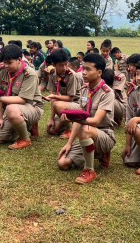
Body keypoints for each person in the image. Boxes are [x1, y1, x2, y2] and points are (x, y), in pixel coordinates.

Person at [57, 53, 116, 184]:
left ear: (99, 72)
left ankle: (90, 170)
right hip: (87, 132)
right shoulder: (84, 89)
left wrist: (73, 119)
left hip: (105, 134)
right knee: (63, 163)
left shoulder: (107, 93)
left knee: (85, 129)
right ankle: (97, 153)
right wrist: (69, 143)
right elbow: (81, 118)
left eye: (88, 69)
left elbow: (94, 121)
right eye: (83, 68)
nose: (83, 72)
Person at [0, 45, 44, 150]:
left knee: (11, 109)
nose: (6, 65)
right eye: (4, 62)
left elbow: (22, 99)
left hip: (32, 107)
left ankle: (25, 139)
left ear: (19, 60)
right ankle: (27, 126)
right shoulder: (2, 71)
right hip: (14, 108)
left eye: (9, 63)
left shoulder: (29, 74)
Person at [45, 49, 82, 137]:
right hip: (65, 106)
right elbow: (54, 99)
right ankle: (70, 122)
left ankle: (70, 130)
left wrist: (54, 96)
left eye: (66, 64)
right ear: (54, 65)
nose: (65, 68)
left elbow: (70, 98)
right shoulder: (52, 74)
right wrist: (52, 119)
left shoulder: (71, 75)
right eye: (61, 65)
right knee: (52, 130)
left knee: (58, 105)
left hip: (77, 104)